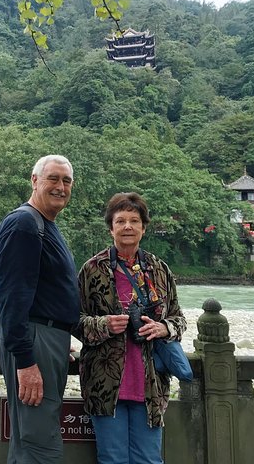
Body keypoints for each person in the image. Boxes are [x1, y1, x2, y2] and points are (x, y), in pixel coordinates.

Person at [74, 192, 187, 464]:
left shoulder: (158, 269)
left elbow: (179, 319)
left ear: (143, 228)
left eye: (134, 221)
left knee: (149, 460)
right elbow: (73, 320)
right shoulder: (92, 269)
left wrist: (163, 328)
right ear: (110, 227)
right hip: (105, 382)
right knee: (112, 459)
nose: (127, 226)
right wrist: (104, 324)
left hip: (150, 382)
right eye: (120, 220)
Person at [0, 155, 80, 463]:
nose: (60, 187)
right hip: (33, 341)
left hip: (46, 338)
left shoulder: (44, 224)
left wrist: (57, 338)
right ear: (34, 180)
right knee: (40, 444)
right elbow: (11, 298)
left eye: (66, 181)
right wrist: (27, 360)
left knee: (31, 442)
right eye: (53, 178)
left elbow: (45, 293)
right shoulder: (25, 224)